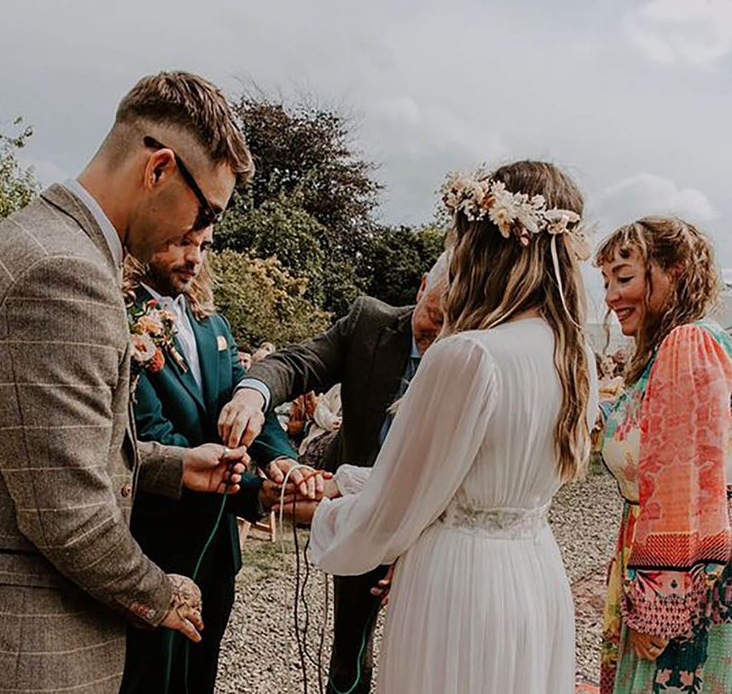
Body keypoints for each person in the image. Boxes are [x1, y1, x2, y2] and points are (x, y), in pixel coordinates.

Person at [0, 71, 252, 694]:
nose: (200, 234)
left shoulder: (43, 240)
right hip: (27, 648)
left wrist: (170, 465)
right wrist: (159, 591)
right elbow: (65, 513)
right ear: (159, 170)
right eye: (206, 210)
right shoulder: (64, 274)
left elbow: (45, 444)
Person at [281, 160, 598, 693]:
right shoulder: (575, 357)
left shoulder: (469, 354)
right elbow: (457, 478)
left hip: (460, 586)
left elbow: (395, 508)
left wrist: (315, 511)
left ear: (485, 243)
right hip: (533, 572)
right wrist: (345, 480)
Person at [218, 251, 449, 693]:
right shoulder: (369, 323)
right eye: (431, 318)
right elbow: (295, 363)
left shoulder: (474, 349)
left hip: (431, 527)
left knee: (429, 657)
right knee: (350, 655)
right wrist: (252, 395)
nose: (435, 337)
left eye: (449, 326)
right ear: (421, 289)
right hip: (356, 514)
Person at [119, 228, 298, 693]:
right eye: (181, 242)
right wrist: (253, 491)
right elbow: (148, 433)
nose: (194, 258)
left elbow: (240, 400)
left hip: (217, 546)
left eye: (203, 247)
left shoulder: (212, 324)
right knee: (149, 677)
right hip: (155, 541)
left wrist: (281, 462)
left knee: (202, 673)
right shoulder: (122, 315)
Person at [595, 217, 732, 694]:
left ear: (673, 271)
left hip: (680, 585)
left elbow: (689, 481)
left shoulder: (687, 343)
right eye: (607, 281)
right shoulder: (669, 351)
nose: (611, 296)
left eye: (625, 277)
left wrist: (660, 601)